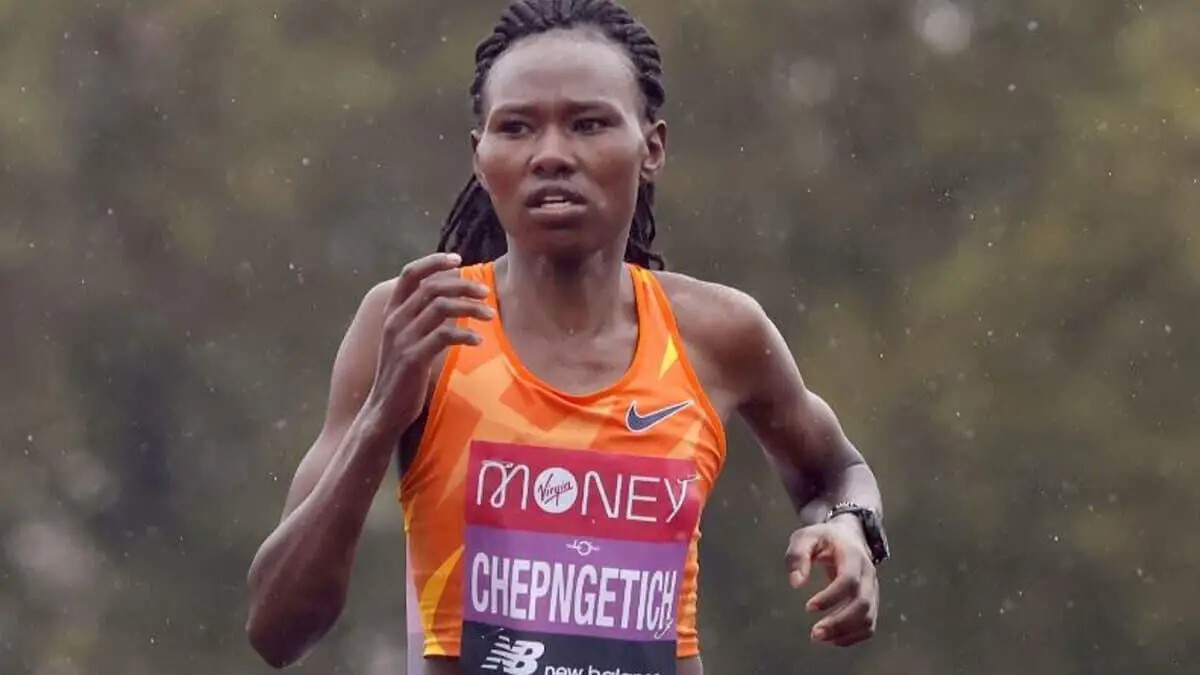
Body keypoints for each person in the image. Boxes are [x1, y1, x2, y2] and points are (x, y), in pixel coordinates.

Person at [245, 1, 890, 673]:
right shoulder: (417, 324)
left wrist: (850, 525)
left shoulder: (716, 334)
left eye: (588, 123)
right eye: (517, 127)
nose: (551, 155)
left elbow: (839, 472)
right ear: (480, 156)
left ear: (651, 148)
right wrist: (381, 417)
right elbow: (277, 629)